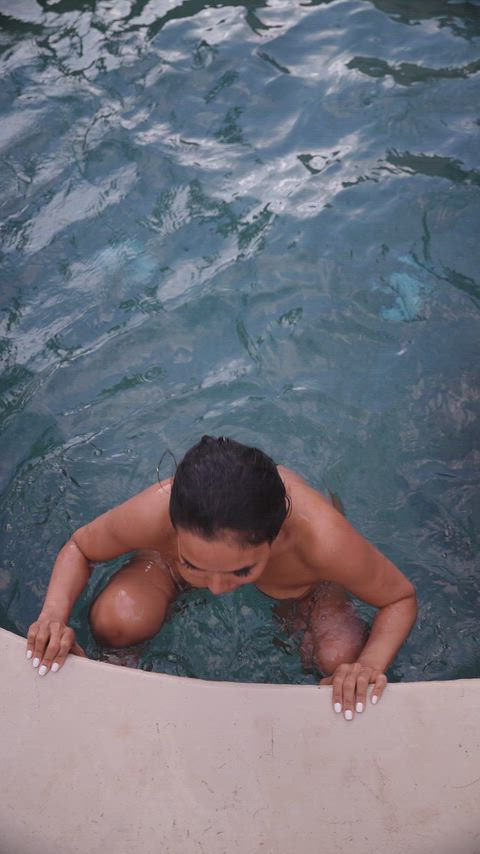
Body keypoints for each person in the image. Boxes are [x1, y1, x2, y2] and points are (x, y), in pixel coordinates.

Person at [25, 435, 417, 720]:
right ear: (173, 529)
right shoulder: (156, 509)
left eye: (242, 570)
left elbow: (399, 598)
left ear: (277, 535)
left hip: (302, 586)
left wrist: (369, 665)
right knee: (119, 620)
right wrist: (53, 617)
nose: (216, 587)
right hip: (165, 564)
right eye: (195, 564)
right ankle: (121, 663)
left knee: (339, 656)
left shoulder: (321, 540)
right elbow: (80, 547)